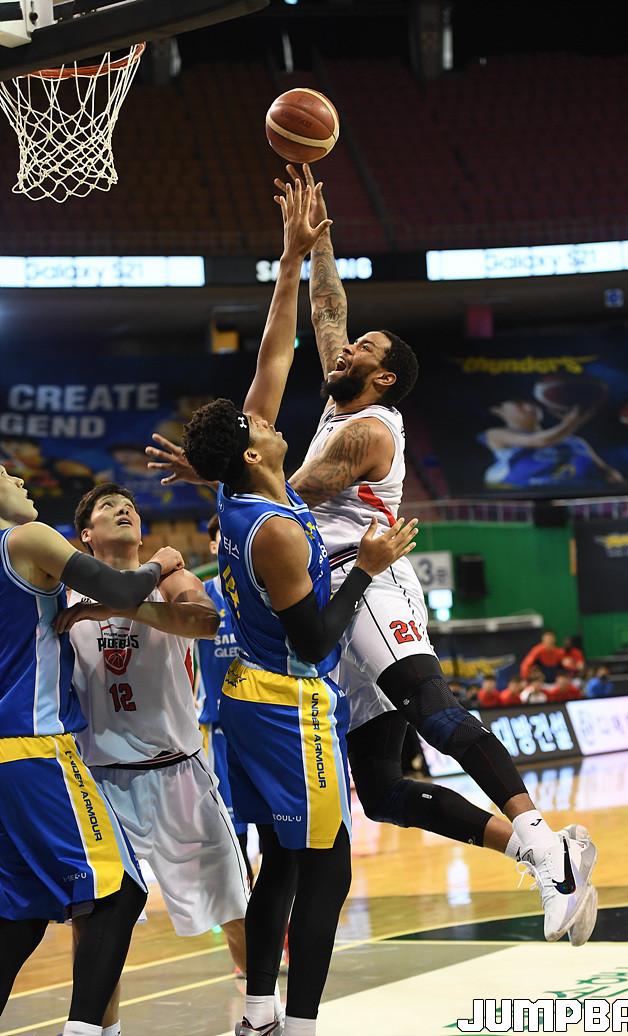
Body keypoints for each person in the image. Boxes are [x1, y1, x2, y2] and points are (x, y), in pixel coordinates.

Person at [147, 167, 599, 948]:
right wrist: (316, 242)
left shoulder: (369, 430)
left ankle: (545, 842)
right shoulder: (339, 397)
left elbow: (288, 488)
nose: (346, 347)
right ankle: (535, 854)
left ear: (382, 377)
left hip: (371, 577)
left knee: (435, 707)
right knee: (385, 792)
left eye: (361, 349)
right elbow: (329, 311)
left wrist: (222, 464)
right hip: (325, 593)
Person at [179, 178, 419, 1036]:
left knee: (283, 859)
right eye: (262, 426)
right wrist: (369, 569)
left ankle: (258, 1015)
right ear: (254, 454)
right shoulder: (277, 528)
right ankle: (301, 1023)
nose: (276, 418)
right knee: (329, 867)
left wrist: (291, 260)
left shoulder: (247, 489)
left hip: (246, 697)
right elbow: (316, 638)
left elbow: (272, 358)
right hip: (287, 701)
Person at [54, 482, 251, 1036]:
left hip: (178, 772)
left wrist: (116, 605)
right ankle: (103, 1028)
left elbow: (205, 621)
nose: (124, 509)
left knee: (234, 904)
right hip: (101, 781)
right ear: (86, 534)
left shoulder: (171, 577)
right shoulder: (62, 593)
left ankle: (262, 1009)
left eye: (131, 506)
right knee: (94, 921)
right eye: (107, 507)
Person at [0, 463, 184, 1035]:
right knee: (119, 892)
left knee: (21, 913)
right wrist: (162, 563)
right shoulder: (26, 539)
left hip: (7, 759)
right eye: (6, 475)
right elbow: (124, 589)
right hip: (36, 748)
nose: (21, 482)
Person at [197, 512, 253, 881]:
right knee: (230, 806)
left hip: (262, 713)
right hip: (218, 720)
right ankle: (242, 873)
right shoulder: (197, 595)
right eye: (221, 537)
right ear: (213, 546)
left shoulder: (258, 593)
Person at [480, 398, 624, 489]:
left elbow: (608, 472)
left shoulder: (576, 442)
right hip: (524, 497)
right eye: (519, 404)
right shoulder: (496, 434)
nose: (529, 407)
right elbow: (541, 441)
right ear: (498, 411)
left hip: (574, 497)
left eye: (532, 403)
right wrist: (573, 421)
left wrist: (619, 483)